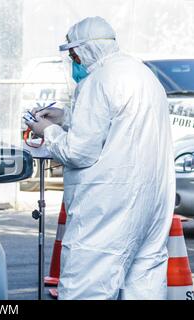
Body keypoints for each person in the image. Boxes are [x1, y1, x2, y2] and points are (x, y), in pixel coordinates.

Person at [26, 16, 175, 300]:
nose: (74, 62)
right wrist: (67, 117)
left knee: (86, 288)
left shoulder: (99, 80)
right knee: (144, 285)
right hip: (152, 203)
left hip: (109, 208)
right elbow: (118, 125)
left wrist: (49, 131)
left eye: (73, 54)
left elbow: (79, 152)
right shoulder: (142, 74)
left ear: (86, 49)